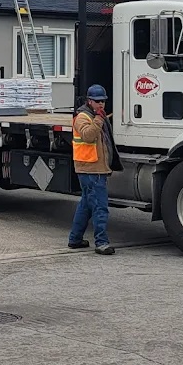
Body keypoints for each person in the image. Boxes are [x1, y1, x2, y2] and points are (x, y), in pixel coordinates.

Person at [68, 83, 121, 255]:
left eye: (103, 101)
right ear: (89, 101)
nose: (101, 104)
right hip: (90, 169)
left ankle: (75, 239)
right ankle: (101, 243)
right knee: (100, 207)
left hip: (94, 168)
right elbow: (88, 136)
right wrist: (99, 119)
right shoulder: (83, 117)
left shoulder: (96, 116)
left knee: (86, 206)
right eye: (97, 101)